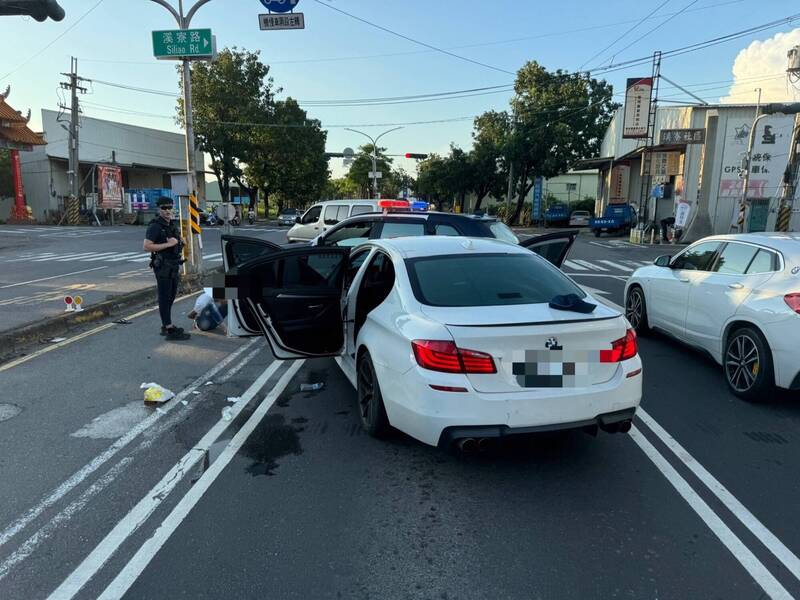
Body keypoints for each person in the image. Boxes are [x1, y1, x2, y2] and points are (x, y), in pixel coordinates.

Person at [143, 196, 190, 341]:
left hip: (173, 265)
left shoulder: (171, 225)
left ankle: (166, 324)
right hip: (163, 266)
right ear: (159, 209)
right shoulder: (155, 226)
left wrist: (182, 241)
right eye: (164, 208)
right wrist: (168, 245)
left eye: (170, 207)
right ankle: (168, 328)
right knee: (164, 297)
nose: (168, 210)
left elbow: (177, 241)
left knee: (171, 296)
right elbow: (146, 246)